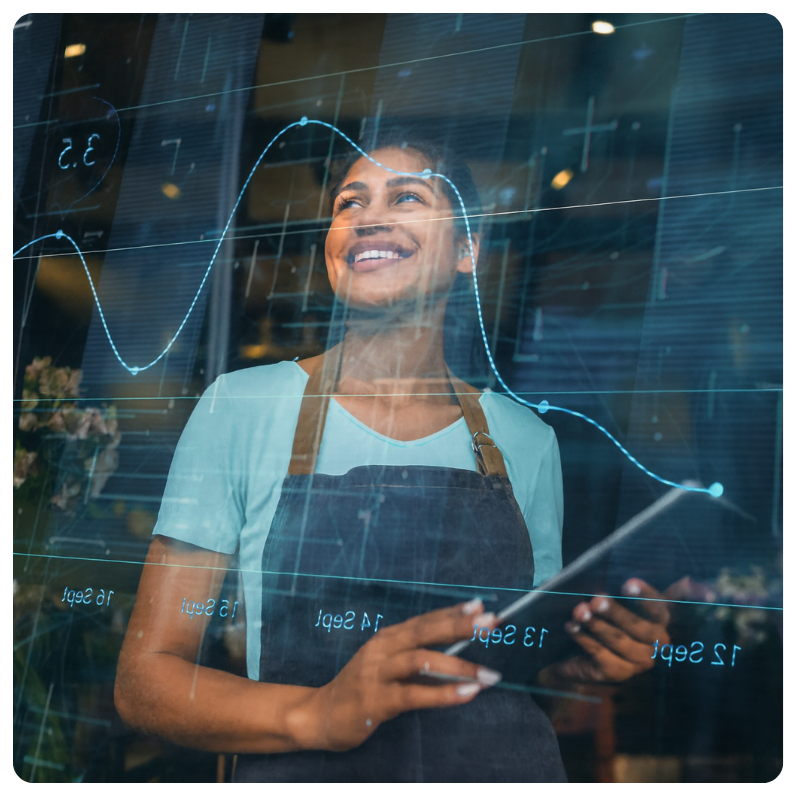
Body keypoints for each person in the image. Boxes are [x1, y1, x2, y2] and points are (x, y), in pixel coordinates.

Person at [115, 134, 673, 782]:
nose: (367, 217)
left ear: (468, 250)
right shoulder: (239, 408)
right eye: (349, 203)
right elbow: (146, 682)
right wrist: (319, 714)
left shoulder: (525, 442)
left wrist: (579, 670)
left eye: (407, 196)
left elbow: (521, 665)